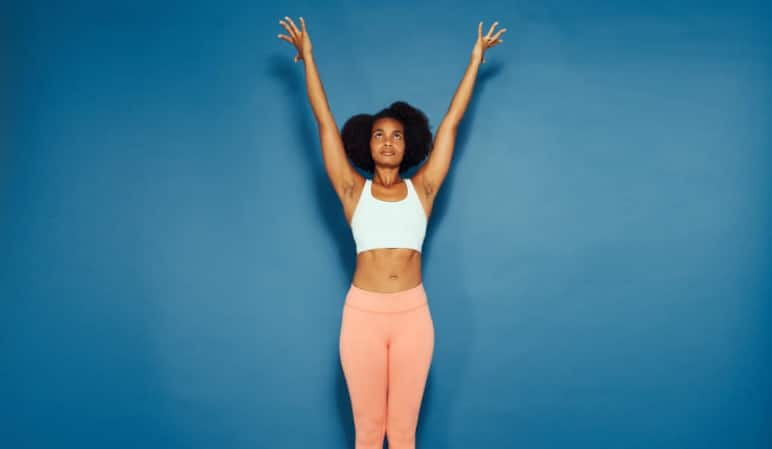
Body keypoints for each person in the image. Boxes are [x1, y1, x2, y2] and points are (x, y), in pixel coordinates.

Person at [277, 16, 505, 449]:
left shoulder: (423, 190)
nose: (387, 142)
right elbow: (324, 123)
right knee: (368, 433)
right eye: (379, 135)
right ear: (366, 144)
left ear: (409, 144)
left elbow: (452, 125)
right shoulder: (351, 192)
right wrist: (308, 57)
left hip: (413, 318)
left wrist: (475, 60)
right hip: (361, 318)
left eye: (396, 136)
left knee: (401, 435)